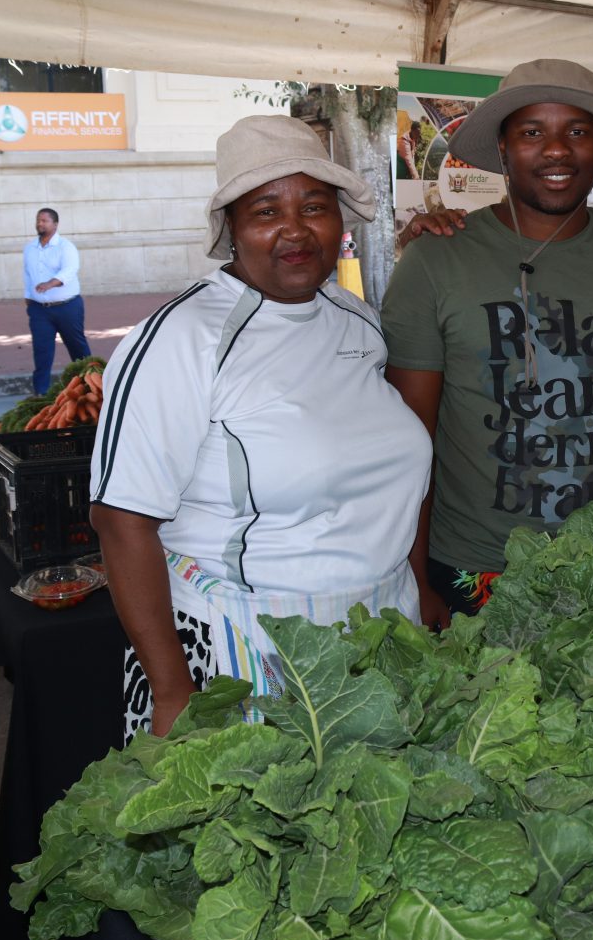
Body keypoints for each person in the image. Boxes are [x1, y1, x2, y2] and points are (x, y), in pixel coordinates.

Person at [89, 115, 432, 741]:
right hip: (243, 654)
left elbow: (387, 478)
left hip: (382, 633)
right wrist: (171, 690)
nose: (295, 230)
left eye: (314, 206)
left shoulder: (356, 320)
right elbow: (122, 520)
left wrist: (420, 588)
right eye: (266, 211)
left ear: (340, 220)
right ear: (233, 232)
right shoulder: (179, 339)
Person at [382, 58, 593, 628]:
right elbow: (410, 439)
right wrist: (410, 577)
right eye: (532, 132)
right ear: (503, 149)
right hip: (474, 572)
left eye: (577, 132)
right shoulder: (436, 261)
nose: (557, 150)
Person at [22, 207, 89, 396]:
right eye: (38, 220)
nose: (40, 224)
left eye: (44, 220)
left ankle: (92, 385)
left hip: (67, 307)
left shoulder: (66, 247)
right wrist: (29, 297)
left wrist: (51, 283)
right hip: (39, 310)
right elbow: (27, 274)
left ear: (55, 224)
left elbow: (70, 270)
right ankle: (41, 392)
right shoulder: (30, 248)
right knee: (42, 351)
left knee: (77, 348)